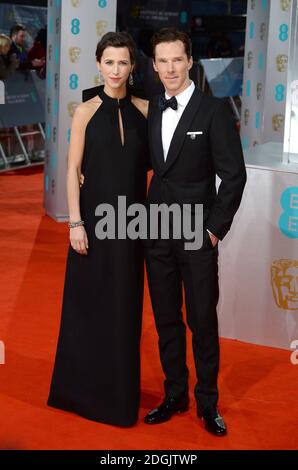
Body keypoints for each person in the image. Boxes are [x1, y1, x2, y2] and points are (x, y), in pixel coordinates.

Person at [144, 28, 247, 436]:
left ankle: (207, 402)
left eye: (177, 59)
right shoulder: (150, 107)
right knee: (166, 318)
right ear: (154, 65)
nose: (170, 68)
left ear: (190, 61)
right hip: (155, 230)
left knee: (202, 320)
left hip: (197, 233)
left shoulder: (214, 110)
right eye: (162, 61)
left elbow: (233, 176)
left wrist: (213, 230)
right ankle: (174, 395)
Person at [47, 32, 149, 426]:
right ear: (98, 64)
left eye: (123, 63)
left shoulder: (144, 108)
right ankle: (80, 392)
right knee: (87, 306)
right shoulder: (85, 111)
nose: (116, 70)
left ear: (132, 67)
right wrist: (75, 222)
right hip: (91, 223)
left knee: (124, 308)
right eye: (109, 62)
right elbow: (73, 170)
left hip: (132, 224)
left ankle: (118, 395)